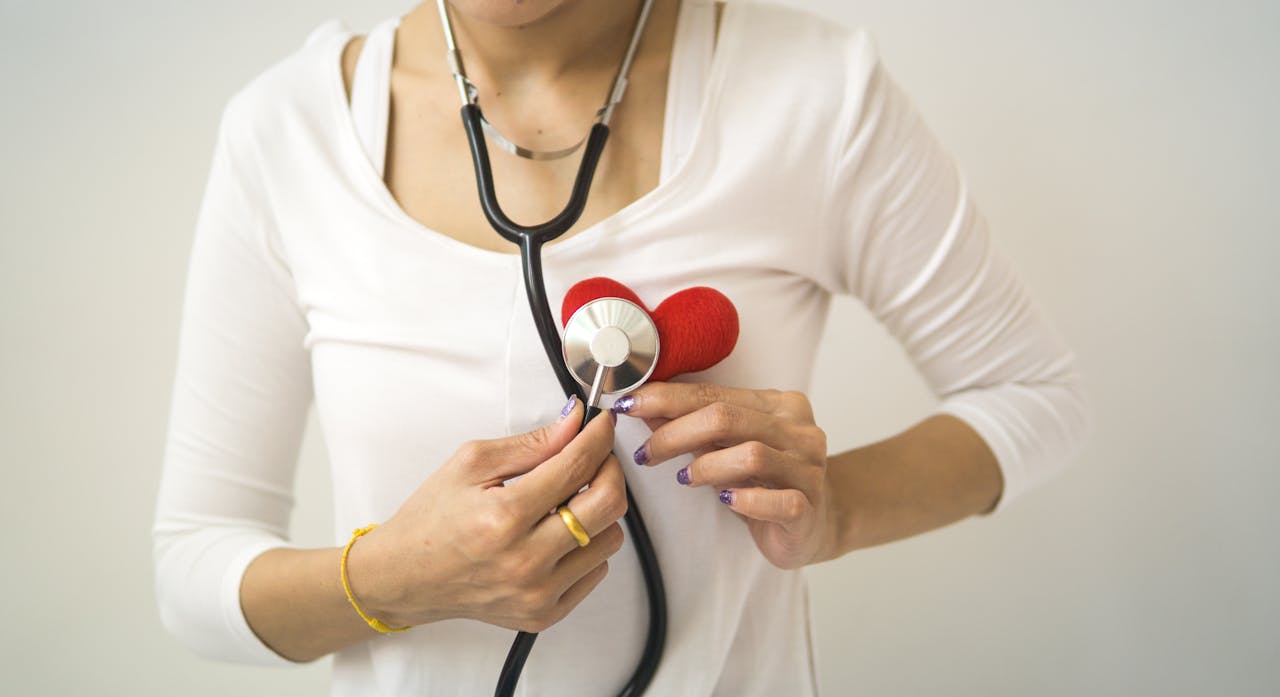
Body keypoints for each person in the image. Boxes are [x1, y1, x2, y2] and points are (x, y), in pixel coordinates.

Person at [152, 0, 1091, 695]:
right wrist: (397, 578)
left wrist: (833, 507)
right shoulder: (287, 134)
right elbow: (191, 569)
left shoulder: (814, 93)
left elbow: (1033, 396)